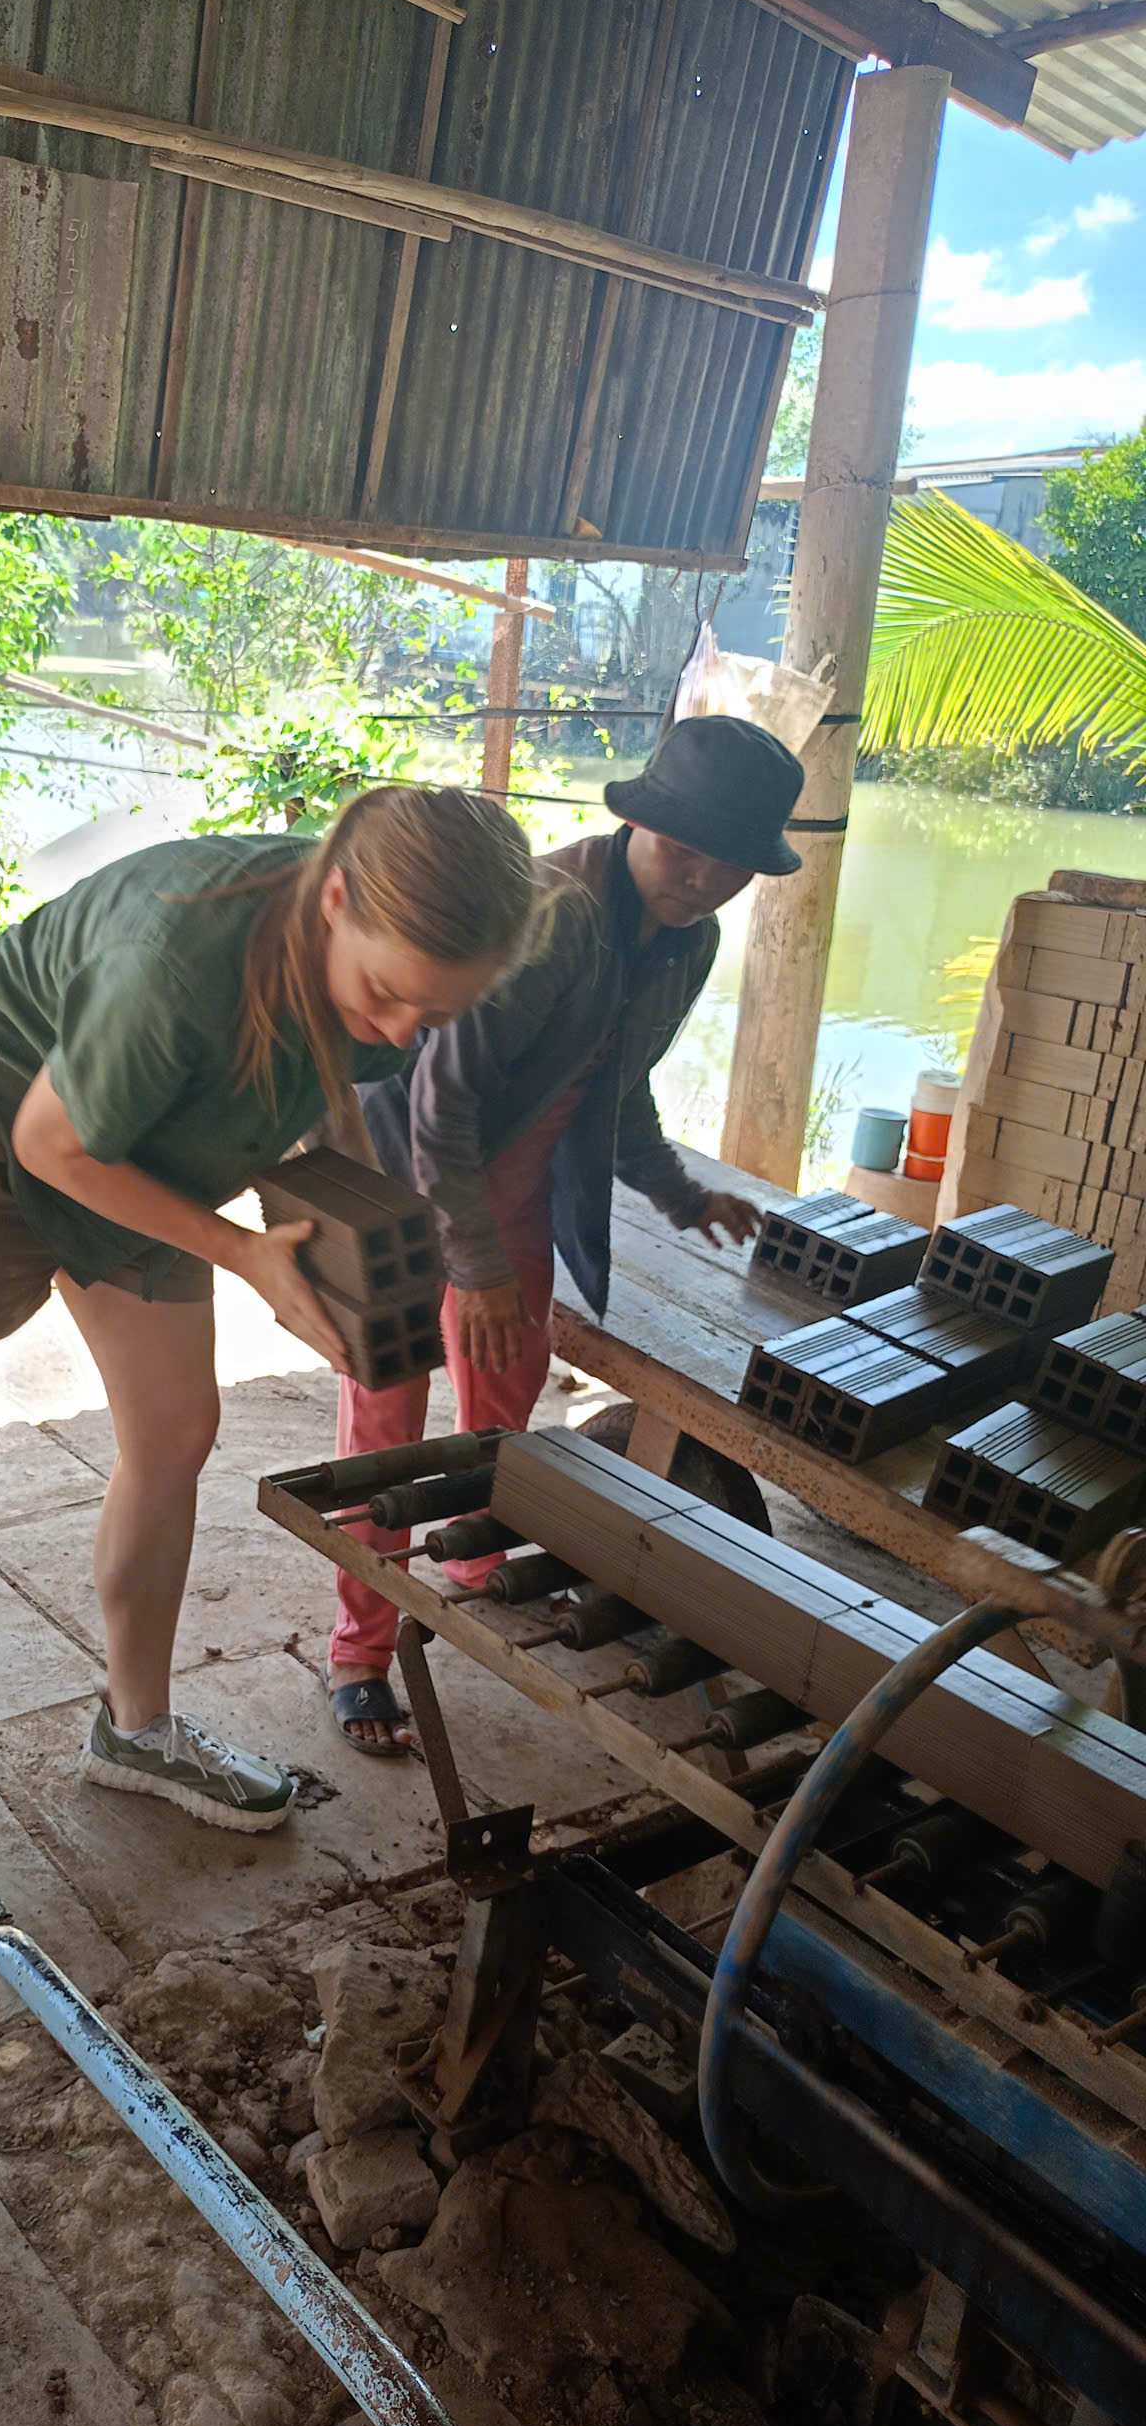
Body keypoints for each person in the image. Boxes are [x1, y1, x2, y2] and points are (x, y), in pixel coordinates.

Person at [0, 787, 544, 1831]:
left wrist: (357, 1245)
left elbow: (328, 1080)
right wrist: (242, 1252)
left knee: (178, 1428)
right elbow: (55, 1144)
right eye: (387, 994)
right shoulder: (183, 952)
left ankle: (135, 1731)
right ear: (333, 899)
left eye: (436, 1014)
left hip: (146, 1136)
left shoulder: (388, 970)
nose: (402, 1029)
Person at [328, 715, 805, 1753]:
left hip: (516, 1176)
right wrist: (476, 1268)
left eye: (730, 864)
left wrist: (683, 1195)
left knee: (505, 1387)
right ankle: (360, 1650)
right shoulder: (551, 917)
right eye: (685, 847)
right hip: (406, 1172)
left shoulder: (691, 939)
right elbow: (437, 1106)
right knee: (388, 1413)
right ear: (637, 821)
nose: (703, 876)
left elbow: (620, 1086)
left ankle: (476, 1559)